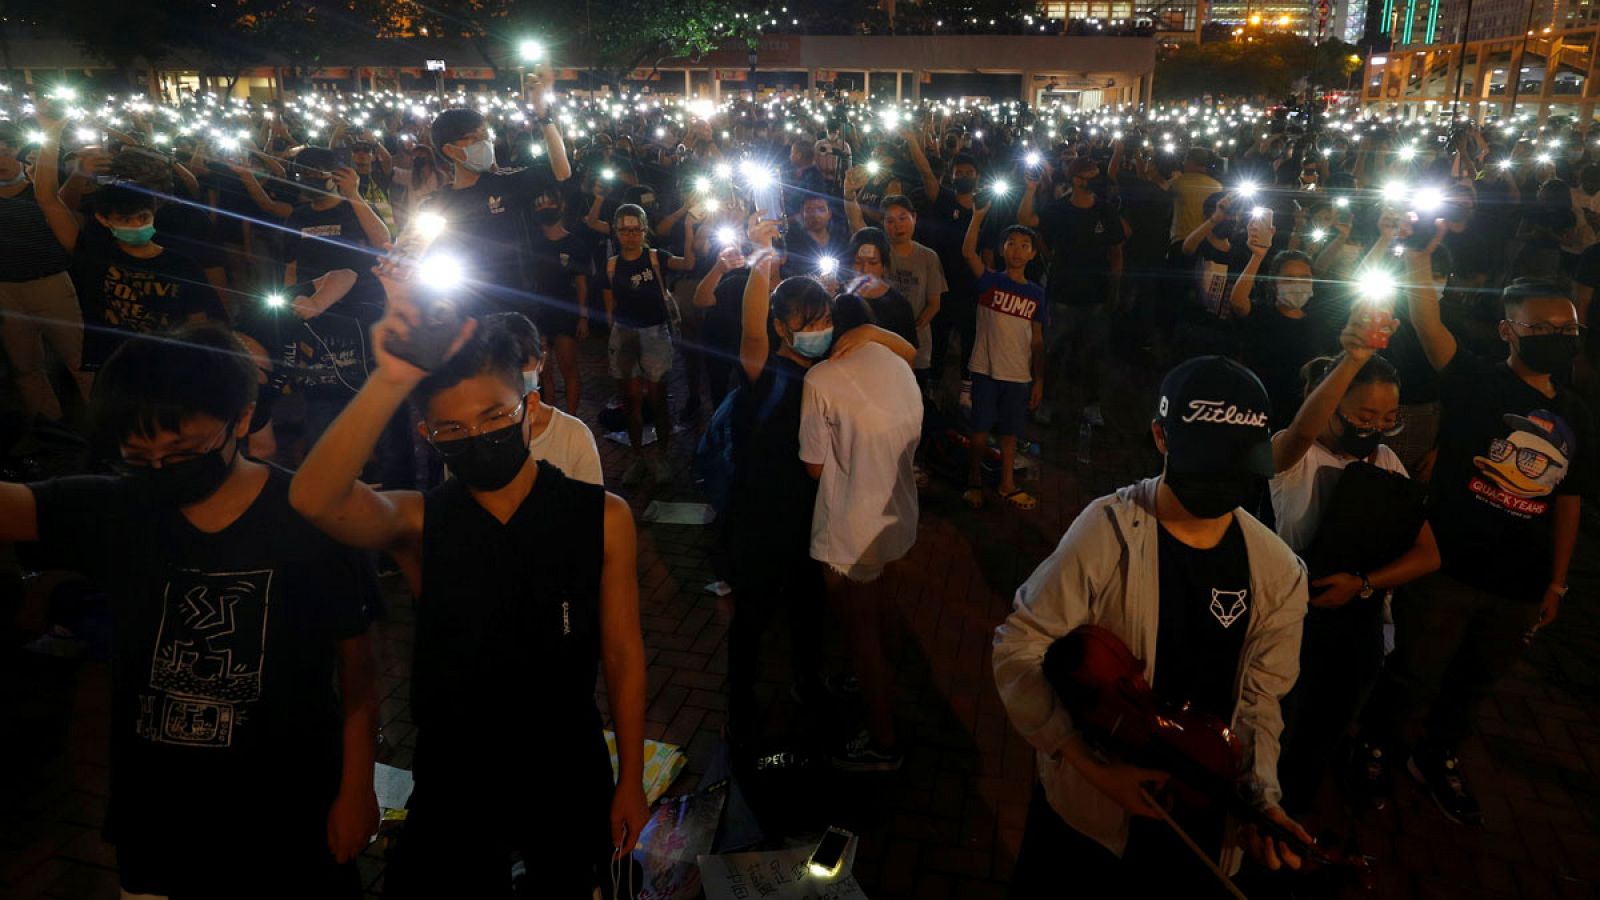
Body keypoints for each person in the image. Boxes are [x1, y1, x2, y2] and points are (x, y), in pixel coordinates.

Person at [288, 286, 649, 898]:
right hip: (458, 765)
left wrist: (632, 777)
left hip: (565, 756)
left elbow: (622, 653)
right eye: (450, 428)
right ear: (428, 433)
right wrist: (390, 380)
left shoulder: (600, 516)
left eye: (494, 417)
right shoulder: (420, 521)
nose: (476, 436)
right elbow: (313, 498)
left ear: (530, 410)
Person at [1, 325, 379, 897]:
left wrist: (357, 789)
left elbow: (358, 669)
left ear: (244, 418)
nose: (160, 470)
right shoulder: (119, 507)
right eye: (138, 457)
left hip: (290, 811)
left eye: (183, 452)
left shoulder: (310, 517)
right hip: (158, 818)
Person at [995, 355, 1312, 897]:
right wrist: (1092, 768)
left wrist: (1260, 802)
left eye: (1237, 467)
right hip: (1089, 821)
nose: (1222, 484)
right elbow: (1019, 647)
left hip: (1202, 826)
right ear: (1161, 438)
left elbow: (1261, 700)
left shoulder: (1279, 572)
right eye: (1209, 464)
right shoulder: (1105, 530)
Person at [1364, 243, 1593, 823]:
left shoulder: (1578, 412)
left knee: (1471, 685)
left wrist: (1557, 583)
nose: (1557, 337)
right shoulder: (1474, 381)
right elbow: (1427, 321)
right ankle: (1372, 749)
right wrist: (1419, 257)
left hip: (1519, 584)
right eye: (1540, 327)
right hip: (1448, 566)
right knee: (1414, 672)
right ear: (1507, 331)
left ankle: (1436, 757)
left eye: (1566, 327)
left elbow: (1568, 499)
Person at [725, 223, 914, 738]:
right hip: (762, 512)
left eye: (825, 317)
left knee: (809, 607)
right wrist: (763, 260)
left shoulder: (831, 363)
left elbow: (902, 352)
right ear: (781, 329)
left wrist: (870, 331)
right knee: (755, 611)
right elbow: (751, 328)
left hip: (814, 508)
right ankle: (739, 699)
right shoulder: (761, 368)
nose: (819, 327)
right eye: (805, 322)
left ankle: (807, 681)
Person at [1268, 333, 1441, 812]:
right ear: (1329, 402)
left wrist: (1363, 586)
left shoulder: (1384, 460)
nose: (1377, 429)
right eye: (1364, 417)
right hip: (1292, 620)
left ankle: (1290, 826)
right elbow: (1302, 432)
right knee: (1274, 731)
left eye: (1388, 418)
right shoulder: (1293, 454)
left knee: (1319, 739)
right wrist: (1354, 357)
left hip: (1355, 623)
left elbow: (1428, 554)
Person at [800, 293, 923, 771]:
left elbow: (813, 467)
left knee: (859, 630)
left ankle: (884, 741)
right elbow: (911, 352)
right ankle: (871, 679)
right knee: (876, 607)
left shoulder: (820, 378)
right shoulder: (898, 364)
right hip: (897, 510)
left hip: (850, 523)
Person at [33, 128, 227, 373]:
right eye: (125, 219)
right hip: (116, 365)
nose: (136, 224)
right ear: (105, 219)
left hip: (172, 365)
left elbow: (205, 310)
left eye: (143, 216)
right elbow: (49, 200)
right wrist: (52, 132)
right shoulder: (96, 247)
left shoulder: (183, 254)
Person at [421, 78, 570, 319]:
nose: (485, 143)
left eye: (486, 136)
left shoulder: (506, 183)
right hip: (464, 311)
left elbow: (561, 171)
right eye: (475, 137)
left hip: (517, 306)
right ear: (450, 150)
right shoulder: (436, 206)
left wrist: (544, 117)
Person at [1020, 156, 1127, 426]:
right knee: (1053, 351)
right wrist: (1031, 189)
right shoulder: (1058, 210)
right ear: (1075, 179)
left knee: (1093, 355)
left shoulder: (1105, 211)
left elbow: (1116, 251)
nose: (1092, 181)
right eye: (1086, 176)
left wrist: (1115, 287)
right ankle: (1046, 401)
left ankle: (1092, 404)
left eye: (1094, 175)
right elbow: (1027, 221)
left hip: (1096, 296)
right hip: (1062, 295)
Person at [0, 120, 92, 423]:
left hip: (50, 284)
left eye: (5, 153)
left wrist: (52, 133)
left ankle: (104, 427)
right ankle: (48, 430)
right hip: (6, 292)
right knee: (26, 366)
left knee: (80, 362)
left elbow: (53, 199)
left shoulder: (40, 196)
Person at [958, 200, 1044, 510]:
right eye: (1012, 244)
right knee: (979, 431)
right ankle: (974, 479)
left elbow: (1037, 339)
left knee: (1010, 433)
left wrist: (1038, 379)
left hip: (1018, 373)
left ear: (1033, 254)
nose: (1018, 250)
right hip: (985, 368)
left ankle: (1007, 482)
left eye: (1025, 245)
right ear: (1003, 249)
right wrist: (978, 216)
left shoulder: (1036, 293)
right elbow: (968, 252)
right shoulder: (990, 281)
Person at [603, 202, 697, 486]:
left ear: (644, 231)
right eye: (624, 230)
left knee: (657, 396)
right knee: (629, 399)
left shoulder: (655, 257)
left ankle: (663, 454)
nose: (630, 235)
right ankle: (637, 456)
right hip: (625, 333)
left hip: (655, 331)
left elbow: (688, 264)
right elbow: (609, 306)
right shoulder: (611, 265)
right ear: (617, 232)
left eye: (635, 229)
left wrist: (690, 229)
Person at [1229, 241, 1340, 430]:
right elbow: (1238, 302)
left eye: (1305, 278)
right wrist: (1257, 256)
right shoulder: (1262, 315)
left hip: (1301, 417)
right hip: (1257, 412)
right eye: (1289, 278)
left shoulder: (1320, 325)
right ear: (1274, 283)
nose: (1298, 285)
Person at [494, 311, 603, 485]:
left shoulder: (573, 435)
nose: (512, 375)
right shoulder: (476, 435)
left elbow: (590, 508)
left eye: (521, 364)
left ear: (541, 362)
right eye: (501, 366)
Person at [529, 186, 592, 415]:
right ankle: (551, 418)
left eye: (549, 204)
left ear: (561, 205)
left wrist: (583, 316)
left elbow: (582, 283)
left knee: (568, 368)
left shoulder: (574, 244)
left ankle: (572, 419)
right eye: (539, 206)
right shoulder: (531, 243)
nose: (544, 209)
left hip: (565, 311)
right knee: (544, 371)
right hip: (539, 312)